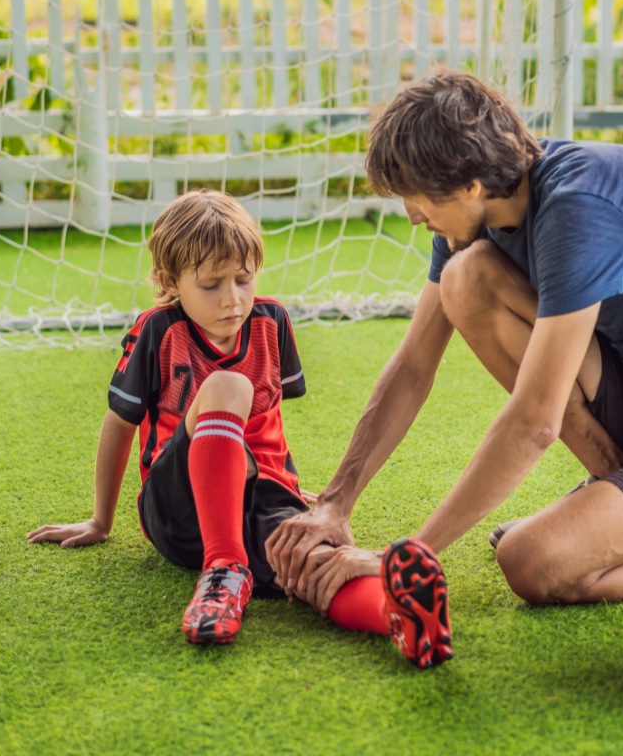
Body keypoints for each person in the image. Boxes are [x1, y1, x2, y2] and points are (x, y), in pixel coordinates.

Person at [266, 70, 623, 613]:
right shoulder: (473, 224)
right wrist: (334, 504)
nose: (411, 214)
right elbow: (413, 366)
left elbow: (535, 420)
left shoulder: (578, 207)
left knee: (530, 561)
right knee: (467, 280)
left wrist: (408, 557)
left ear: (471, 182)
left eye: (420, 196)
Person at [27, 189, 452, 669]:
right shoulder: (157, 332)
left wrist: (282, 491)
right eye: (211, 285)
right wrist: (101, 520)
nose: (232, 300)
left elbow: (271, 424)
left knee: (308, 564)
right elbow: (119, 424)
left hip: (259, 498)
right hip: (177, 509)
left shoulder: (271, 322)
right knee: (227, 385)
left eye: (243, 280)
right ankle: (224, 567)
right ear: (170, 282)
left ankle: (399, 614)